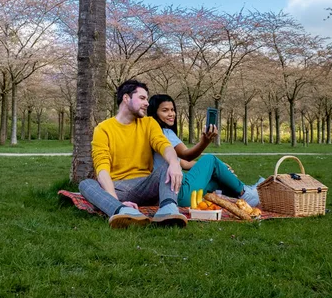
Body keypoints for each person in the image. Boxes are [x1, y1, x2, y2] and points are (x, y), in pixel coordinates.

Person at [79, 80, 188, 229]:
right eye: (142, 98)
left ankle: (168, 210)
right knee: (86, 184)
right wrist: (115, 199)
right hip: (117, 187)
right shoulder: (103, 129)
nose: (147, 103)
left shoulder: (149, 123)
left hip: (146, 185)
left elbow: (164, 145)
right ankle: (121, 211)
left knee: (167, 165)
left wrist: (175, 163)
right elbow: (102, 168)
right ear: (126, 98)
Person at [147, 94, 263, 208]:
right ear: (154, 113)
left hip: (179, 195)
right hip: (179, 191)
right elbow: (187, 155)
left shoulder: (156, 134)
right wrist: (205, 142)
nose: (171, 114)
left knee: (216, 180)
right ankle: (246, 193)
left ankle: (245, 198)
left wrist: (217, 169)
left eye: (172, 110)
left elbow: (184, 164)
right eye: (165, 110)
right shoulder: (164, 133)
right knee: (210, 159)